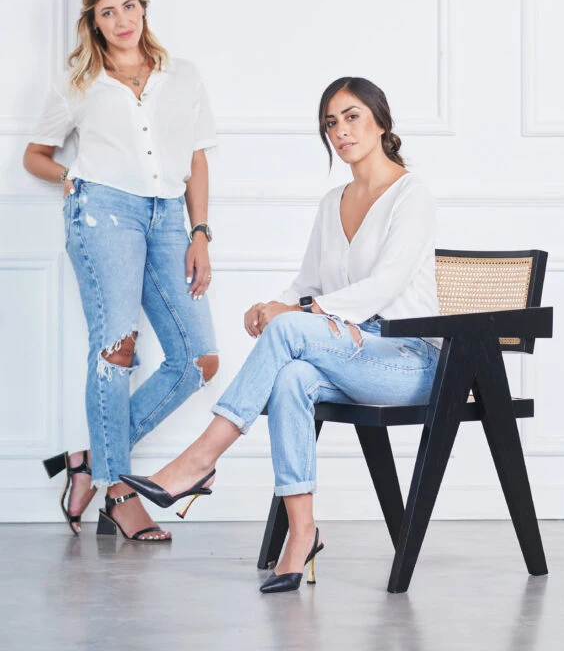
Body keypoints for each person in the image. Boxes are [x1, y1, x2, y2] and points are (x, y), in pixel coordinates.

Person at [122, 76, 440, 587]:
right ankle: (302, 533)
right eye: (331, 123)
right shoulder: (333, 201)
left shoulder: (411, 194)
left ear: (381, 122)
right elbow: (308, 282)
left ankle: (200, 460)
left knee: (291, 330)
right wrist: (274, 305)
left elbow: (386, 285)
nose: (341, 131)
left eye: (352, 117)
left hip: (410, 359)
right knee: (291, 377)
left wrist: (295, 313)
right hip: (351, 349)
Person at [25, 0, 219, 541]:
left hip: (170, 218)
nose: (122, 20)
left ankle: (90, 460)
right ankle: (118, 492)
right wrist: (69, 177)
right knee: (116, 351)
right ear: (93, 22)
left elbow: (197, 158)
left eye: (129, 6)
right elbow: (35, 155)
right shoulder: (79, 82)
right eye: (107, 12)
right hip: (103, 213)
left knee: (198, 359)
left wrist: (200, 231)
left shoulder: (183, 76)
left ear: (143, 7)